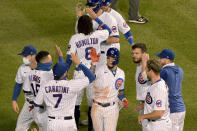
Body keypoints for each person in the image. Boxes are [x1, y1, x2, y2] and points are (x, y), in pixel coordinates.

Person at [65, 12, 112, 130]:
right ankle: (91, 128)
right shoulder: (97, 35)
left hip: (80, 72)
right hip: (92, 72)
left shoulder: (75, 38)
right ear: (91, 25)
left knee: (76, 102)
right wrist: (97, 19)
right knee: (93, 103)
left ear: (79, 26)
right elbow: (108, 30)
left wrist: (65, 72)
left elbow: (69, 58)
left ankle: (74, 127)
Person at [33, 53, 96, 131]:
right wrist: (79, 63)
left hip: (52, 123)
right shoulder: (71, 85)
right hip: (68, 124)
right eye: (66, 70)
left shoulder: (45, 86)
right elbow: (92, 77)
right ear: (64, 74)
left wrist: (39, 118)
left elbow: (36, 104)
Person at [90, 47, 129, 131]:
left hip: (112, 109)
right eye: (108, 58)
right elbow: (89, 77)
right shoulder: (99, 69)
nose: (110, 60)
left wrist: (124, 99)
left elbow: (121, 92)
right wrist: (93, 64)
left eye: (113, 58)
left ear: (117, 59)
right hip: (97, 108)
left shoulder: (121, 73)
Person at [137, 59, 172, 131]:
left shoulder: (159, 88)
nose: (145, 72)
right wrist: (143, 105)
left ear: (151, 71)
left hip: (159, 126)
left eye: (146, 70)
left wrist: (143, 116)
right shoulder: (157, 82)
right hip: (155, 125)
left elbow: (158, 113)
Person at [23, 51, 54, 131]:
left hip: (36, 111)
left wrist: (34, 101)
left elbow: (26, 92)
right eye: (50, 61)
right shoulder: (49, 76)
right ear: (44, 63)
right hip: (47, 112)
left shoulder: (29, 73)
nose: (51, 63)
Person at [156, 49, 186, 131]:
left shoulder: (164, 71)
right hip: (181, 109)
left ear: (167, 59)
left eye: (161, 58)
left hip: (172, 109)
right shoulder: (180, 70)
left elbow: (154, 81)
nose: (159, 60)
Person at [12, 45, 37, 131]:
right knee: (19, 129)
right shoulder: (22, 68)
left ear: (33, 55)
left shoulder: (44, 68)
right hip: (29, 105)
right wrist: (14, 100)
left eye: (25, 56)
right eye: (23, 56)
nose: (24, 58)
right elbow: (18, 84)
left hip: (43, 106)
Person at [132, 43, 151, 114]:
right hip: (144, 104)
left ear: (144, 54)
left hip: (149, 105)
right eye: (133, 53)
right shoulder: (139, 67)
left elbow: (155, 88)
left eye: (137, 53)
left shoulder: (150, 68)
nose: (134, 55)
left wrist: (143, 105)